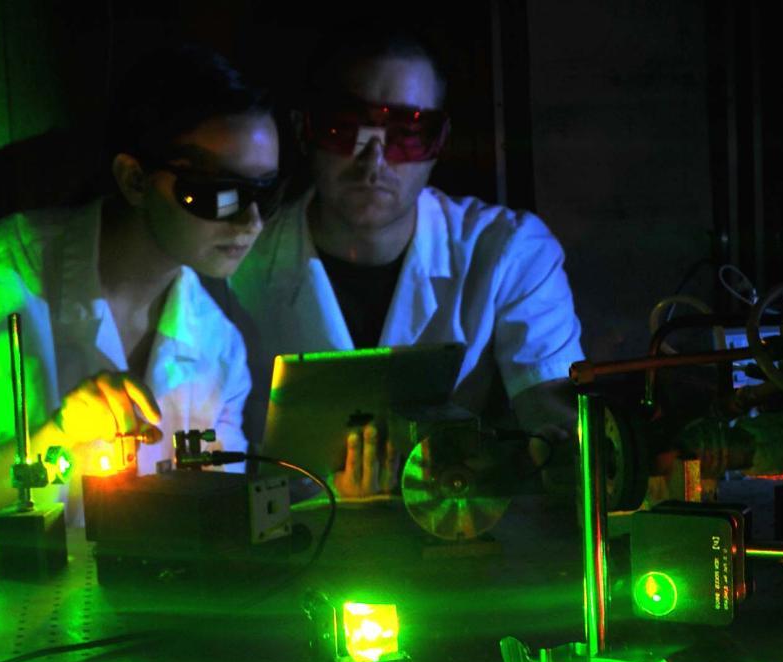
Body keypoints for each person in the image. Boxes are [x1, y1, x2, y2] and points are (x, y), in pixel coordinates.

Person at [0, 43, 280, 523]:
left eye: (265, 191)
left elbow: (217, 519)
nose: (251, 221)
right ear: (134, 180)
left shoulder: (218, 345)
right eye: (219, 193)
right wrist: (57, 434)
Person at [230, 26, 584, 498]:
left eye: (408, 133)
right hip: (284, 542)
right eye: (344, 128)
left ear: (438, 142)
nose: (373, 160)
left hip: (454, 533)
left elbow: (552, 409)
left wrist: (552, 452)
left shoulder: (508, 250)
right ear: (303, 130)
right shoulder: (236, 262)